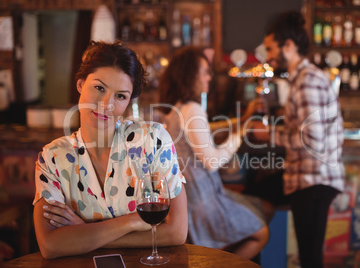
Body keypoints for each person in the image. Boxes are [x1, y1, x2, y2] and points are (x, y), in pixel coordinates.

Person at [33, 40, 188, 259]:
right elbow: (50, 245)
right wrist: (133, 221)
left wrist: (83, 233)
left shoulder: (152, 140)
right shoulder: (53, 158)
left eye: (120, 96)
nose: (107, 104)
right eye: (99, 88)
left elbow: (177, 232)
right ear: (79, 85)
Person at [158, 46, 273, 260]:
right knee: (262, 234)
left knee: (265, 208)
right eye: (204, 71)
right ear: (189, 75)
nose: (209, 76)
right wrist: (241, 133)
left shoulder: (179, 108)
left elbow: (207, 131)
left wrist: (242, 121)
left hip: (194, 197)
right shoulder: (192, 108)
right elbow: (212, 162)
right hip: (204, 200)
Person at [250, 11, 345, 268]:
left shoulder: (307, 81)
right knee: (253, 197)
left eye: (271, 48)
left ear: (289, 46)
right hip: (305, 176)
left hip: (314, 179)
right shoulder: (303, 79)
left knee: (310, 258)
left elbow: (311, 139)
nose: (268, 55)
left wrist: (268, 133)